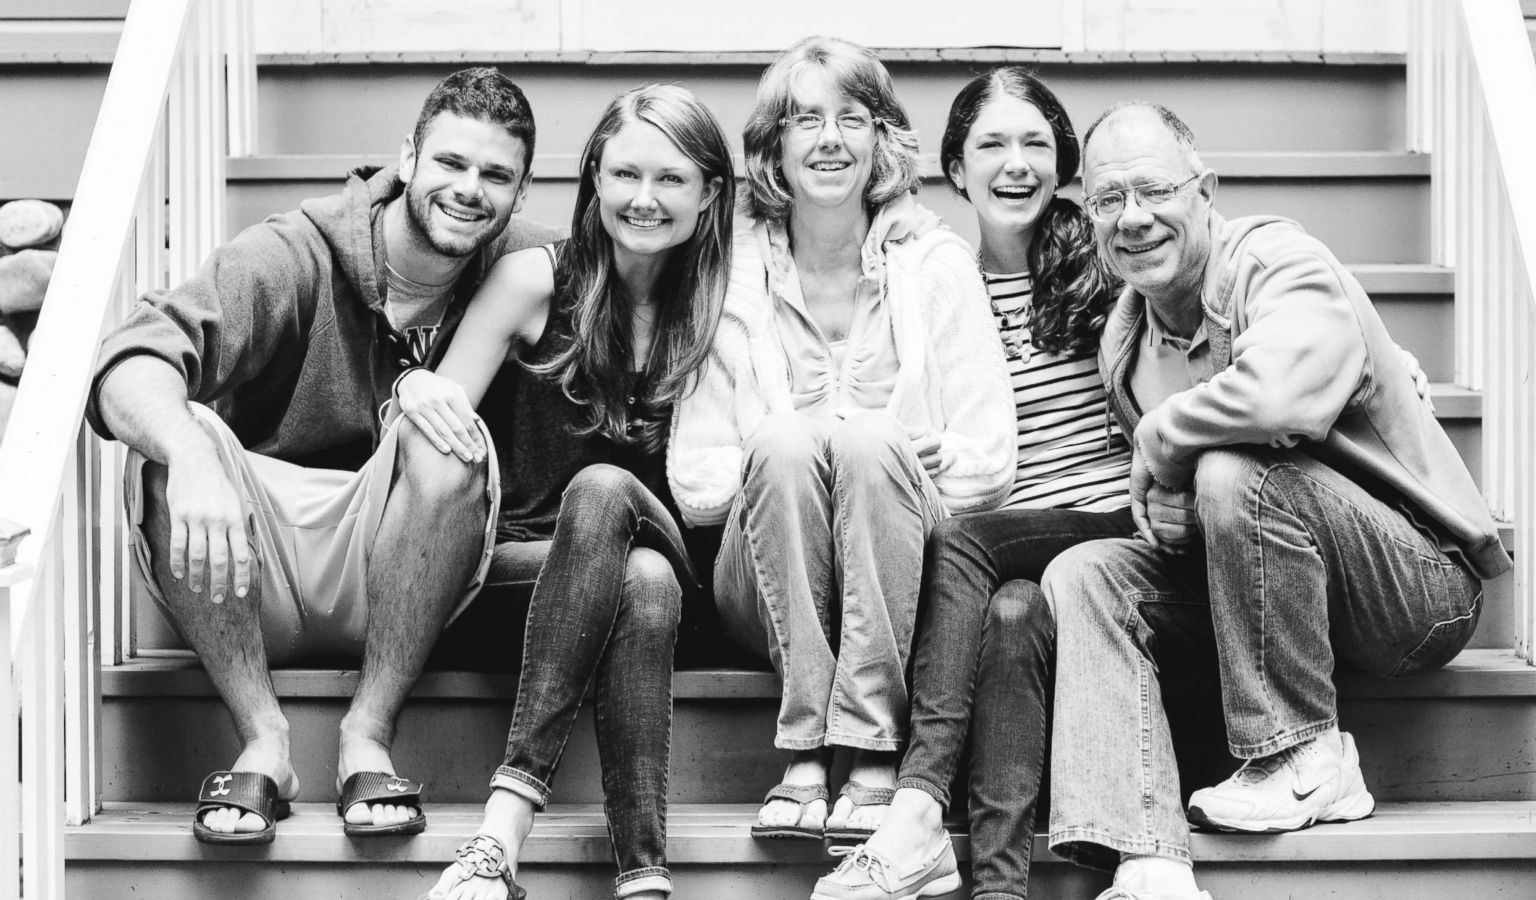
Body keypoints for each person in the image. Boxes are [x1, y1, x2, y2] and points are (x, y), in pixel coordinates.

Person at [1040, 101, 1510, 900]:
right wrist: (1170, 513)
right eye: (1109, 200)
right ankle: (1148, 856)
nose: (1135, 218)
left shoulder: (1277, 259)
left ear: (1206, 190)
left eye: (1154, 191)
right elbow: (1202, 509)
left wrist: (1164, 440)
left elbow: (1283, 396)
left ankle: (1302, 754)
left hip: (1415, 587)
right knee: (1085, 572)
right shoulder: (1124, 341)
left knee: (1231, 468)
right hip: (1275, 599)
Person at [85, 67, 555, 845]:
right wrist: (191, 456)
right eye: (450, 162)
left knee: (447, 445)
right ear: (407, 156)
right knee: (178, 440)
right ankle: (265, 741)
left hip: (404, 558)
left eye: (495, 174)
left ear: (522, 190)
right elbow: (132, 358)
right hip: (251, 558)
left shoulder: (522, 269)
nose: (469, 189)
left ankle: (366, 735)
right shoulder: (293, 253)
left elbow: (646, 272)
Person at [668, 36, 1016, 850]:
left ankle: (863, 753)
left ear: (881, 140)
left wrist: (892, 457)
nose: (829, 140)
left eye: (851, 119)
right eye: (805, 121)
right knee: (792, 441)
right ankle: (804, 746)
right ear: (774, 147)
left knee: (868, 446)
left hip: (901, 582)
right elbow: (693, 481)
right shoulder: (731, 278)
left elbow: (991, 462)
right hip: (765, 584)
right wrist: (793, 445)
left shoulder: (935, 266)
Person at [810, 66, 1132, 900]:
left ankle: (915, 806)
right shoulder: (933, 281)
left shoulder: (1109, 258)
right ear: (956, 168)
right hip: (1009, 554)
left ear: (1064, 164)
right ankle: (994, 887)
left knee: (964, 545)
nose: (1015, 162)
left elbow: (1220, 307)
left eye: (1036, 143)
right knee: (1011, 615)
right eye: (992, 143)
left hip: (1108, 521)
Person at [416, 83, 731, 900]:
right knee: (640, 582)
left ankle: (500, 832)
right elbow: (432, 425)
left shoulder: (726, 306)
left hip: (676, 564)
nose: (644, 199)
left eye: (671, 179)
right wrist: (413, 391)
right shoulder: (534, 280)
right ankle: (644, 877)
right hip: (518, 580)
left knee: (611, 503)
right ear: (593, 177)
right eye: (625, 174)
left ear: (709, 194)